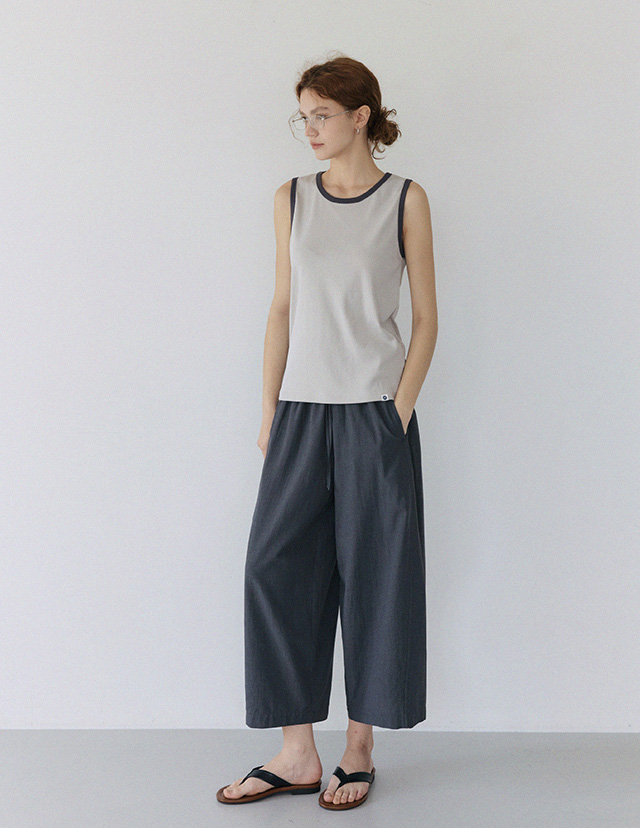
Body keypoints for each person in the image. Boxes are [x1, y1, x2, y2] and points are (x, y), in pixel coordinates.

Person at [217, 54, 437, 810]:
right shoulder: (291, 198)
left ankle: (359, 747)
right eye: (303, 116)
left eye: (322, 115)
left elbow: (427, 318)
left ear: (360, 117)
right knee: (273, 568)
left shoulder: (405, 198)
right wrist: (270, 409)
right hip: (301, 411)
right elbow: (282, 306)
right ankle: (297, 752)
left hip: (375, 411)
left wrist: (396, 411)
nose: (309, 129)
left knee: (375, 575)